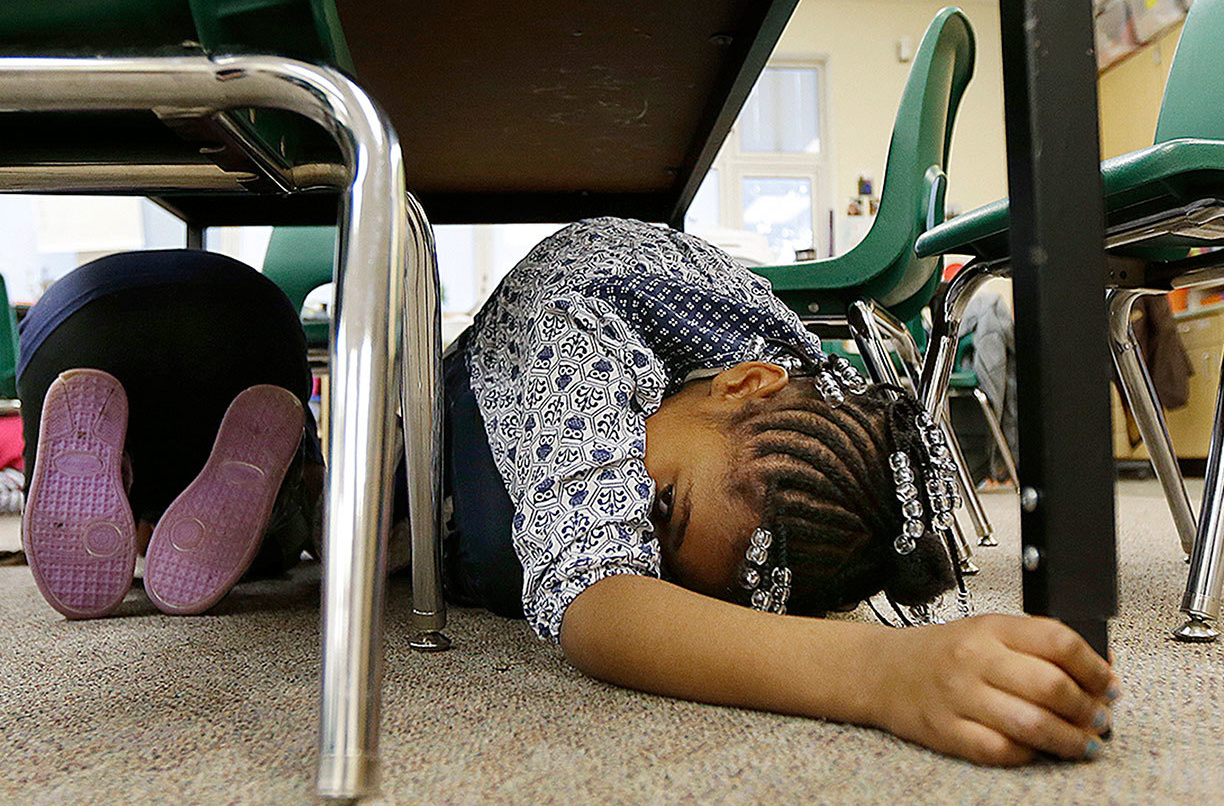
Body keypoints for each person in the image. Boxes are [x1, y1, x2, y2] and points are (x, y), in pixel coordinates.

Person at [22, 219, 1118, 768]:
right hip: (434, 466)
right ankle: (264, 485)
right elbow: (602, 609)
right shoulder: (584, 324)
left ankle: (210, 492)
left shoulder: (765, 403)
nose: (640, 542)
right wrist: (884, 673)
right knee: (345, 531)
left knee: (321, 536)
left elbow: (857, 497)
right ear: (741, 381)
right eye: (664, 509)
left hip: (438, 505)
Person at [19, 249, 322, 618]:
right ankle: (264, 528)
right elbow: (313, 481)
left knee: (76, 501)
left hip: (71, 319)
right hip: (252, 317)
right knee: (275, 540)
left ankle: (122, 478)